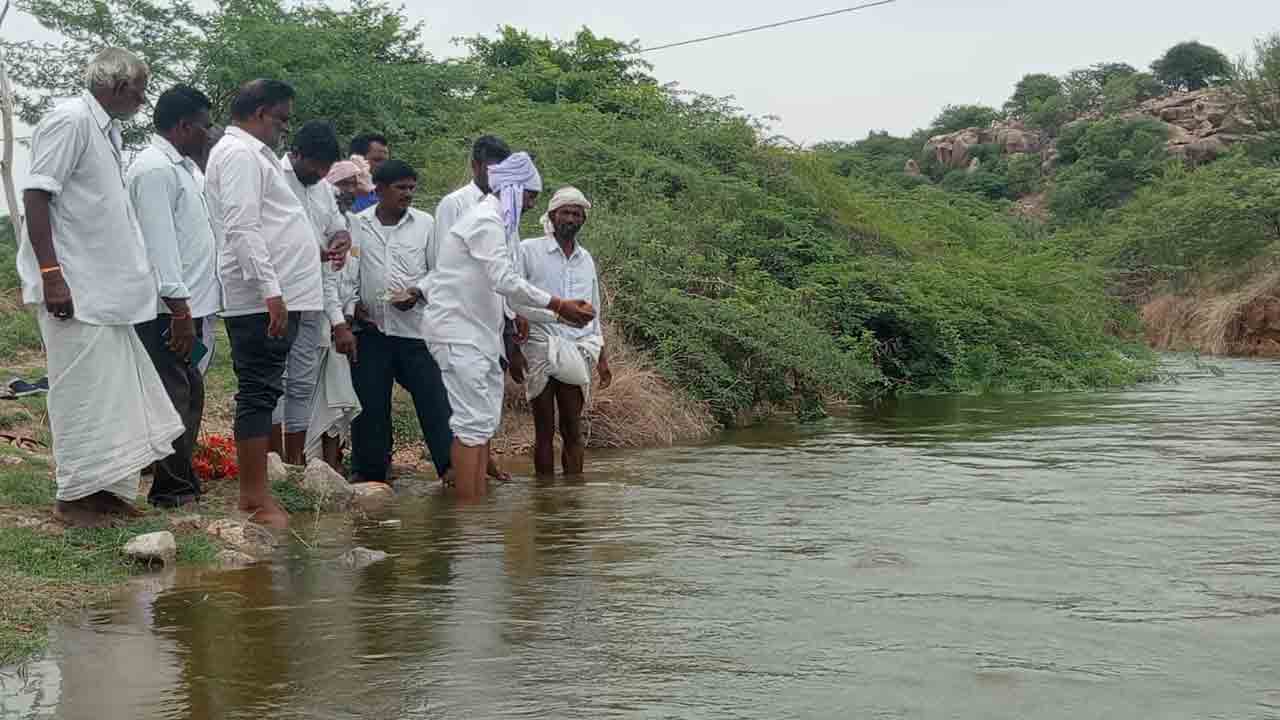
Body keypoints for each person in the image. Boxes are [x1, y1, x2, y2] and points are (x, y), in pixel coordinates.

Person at [17, 48, 184, 528]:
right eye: (139, 89)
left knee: (114, 395)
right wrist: (52, 274)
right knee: (83, 394)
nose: (143, 98)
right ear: (116, 86)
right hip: (75, 288)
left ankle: (105, 493)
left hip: (106, 292)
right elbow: (36, 194)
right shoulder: (69, 120)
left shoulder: (104, 129)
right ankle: (74, 499)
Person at [422, 151, 596, 495]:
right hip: (458, 331)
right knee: (471, 426)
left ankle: (475, 510)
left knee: (483, 424)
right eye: (530, 196)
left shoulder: (501, 226)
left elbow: (510, 297)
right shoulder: (486, 222)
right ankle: (469, 516)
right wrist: (559, 303)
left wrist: (559, 315)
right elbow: (505, 279)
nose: (532, 205)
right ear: (514, 189)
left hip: (480, 333)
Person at [206, 79, 335, 529]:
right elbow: (241, 228)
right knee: (258, 392)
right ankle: (253, 498)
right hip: (261, 298)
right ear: (261, 112)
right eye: (281, 118)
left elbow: (270, 227)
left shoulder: (251, 156)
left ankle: (259, 492)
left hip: (280, 293)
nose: (284, 129)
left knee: (266, 390)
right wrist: (271, 290)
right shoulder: (240, 154)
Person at [126, 84, 219, 508]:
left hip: (188, 306)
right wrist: (179, 309)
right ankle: (171, 490)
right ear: (184, 126)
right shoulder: (154, 170)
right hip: (167, 309)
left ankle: (179, 483)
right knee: (175, 394)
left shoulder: (182, 169)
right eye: (204, 126)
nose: (209, 134)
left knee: (188, 390)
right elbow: (159, 245)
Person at [345, 160, 455, 484]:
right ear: (378, 190)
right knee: (370, 406)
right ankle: (370, 476)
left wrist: (417, 291)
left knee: (434, 399)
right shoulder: (357, 225)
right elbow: (348, 272)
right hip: (371, 331)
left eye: (411, 187)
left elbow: (439, 270)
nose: (408, 194)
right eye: (400, 188)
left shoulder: (426, 224)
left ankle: (451, 469)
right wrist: (352, 308)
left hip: (416, 331)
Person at [515, 187, 613, 476]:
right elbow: (514, 298)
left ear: (583, 219)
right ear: (552, 216)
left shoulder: (586, 259)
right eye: (565, 212)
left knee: (572, 427)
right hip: (539, 344)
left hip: (578, 347)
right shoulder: (528, 250)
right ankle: (545, 502)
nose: (570, 218)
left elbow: (593, 311)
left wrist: (603, 358)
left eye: (576, 214)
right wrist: (513, 342)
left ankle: (572, 503)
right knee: (543, 430)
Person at [276, 120, 355, 465]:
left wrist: (342, 237)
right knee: (272, 384)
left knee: (302, 383)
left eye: (326, 168)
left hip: (312, 299)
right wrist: (311, 251)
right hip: (274, 297)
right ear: (295, 154)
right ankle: (271, 462)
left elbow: (335, 225)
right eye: (315, 166)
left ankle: (293, 465)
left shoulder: (322, 188)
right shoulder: (272, 179)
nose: (320, 174)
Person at [433, 135, 529, 382]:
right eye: (491, 169)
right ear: (475, 165)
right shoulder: (454, 204)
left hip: (499, 318)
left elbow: (512, 261)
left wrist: (517, 312)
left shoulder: (506, 206)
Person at [348, 133, 389, 212]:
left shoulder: (384, 193)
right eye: (377, 160)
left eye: (386, 161)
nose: (384, 166)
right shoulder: (335, 195)